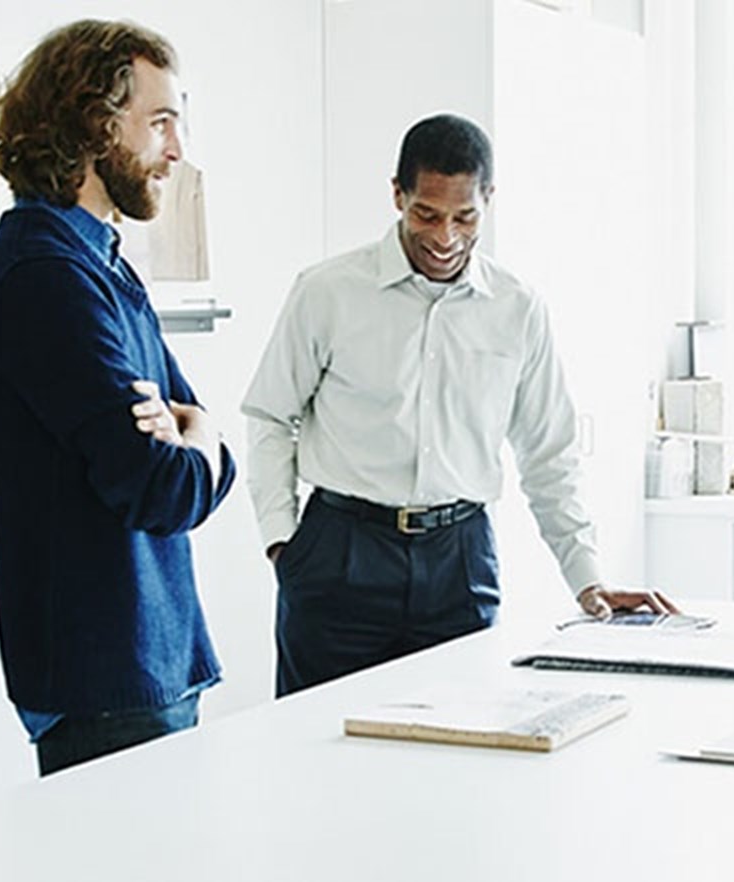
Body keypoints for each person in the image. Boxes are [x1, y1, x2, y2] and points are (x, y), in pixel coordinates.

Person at [243, 113, 675, 697]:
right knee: (320, 753)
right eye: (426, 213)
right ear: (397, 195)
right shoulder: (327, 292)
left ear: (488, 200)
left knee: (457, 758)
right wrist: (281, 540)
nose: (445, 236)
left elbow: (549, 453)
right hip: (340, 554)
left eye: (465, 217)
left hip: (460, 561)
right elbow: (271, 414)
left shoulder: (517, 308)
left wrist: (587, 579)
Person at [0, 20, 235, 776]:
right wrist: (196, 437)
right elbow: (160, 486)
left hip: (151, 663)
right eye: (160, 122)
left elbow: (211, 457)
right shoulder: (43, 276)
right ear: (93, 123)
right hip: (104, 682)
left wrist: (199, 429)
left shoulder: (100, 265)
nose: (175, 151)